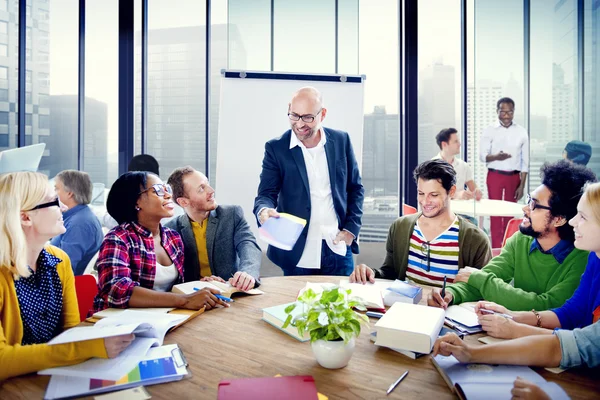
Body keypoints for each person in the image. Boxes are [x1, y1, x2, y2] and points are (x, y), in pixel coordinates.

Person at [0, 172, 134, 381]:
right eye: (53, 202)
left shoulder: (59, 260)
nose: (63, 207)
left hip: (54, 375)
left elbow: (71, 331)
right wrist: (88, 347)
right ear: (25, 217)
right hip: (14, 385)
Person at [428, 160, 595, 312]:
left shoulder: (583, 259)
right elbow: (480, 281)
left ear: (559, 219)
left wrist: (480, 279)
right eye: (529, 200)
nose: (525, 209)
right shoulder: (520, 240)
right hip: (510, 331)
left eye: (534, 205)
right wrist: (450, 293)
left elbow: (546, 306)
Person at [253, 86, 364, 276]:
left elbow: (355, 189)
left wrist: (351, 230)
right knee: (298, 305)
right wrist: (263, 212)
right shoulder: (276, 148)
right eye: (294, 115)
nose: (300, 123)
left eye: (308, 117)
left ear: (323, 114)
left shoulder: (341, 140)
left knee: (344, 304)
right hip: (297, 252)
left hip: (337, 247)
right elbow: (265, 195)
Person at [471, 182, 600, 341]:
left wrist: (516, 329)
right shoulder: (595, 259)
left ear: (558, 219)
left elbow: (588, 342)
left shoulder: (584, 257)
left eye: (583, 217)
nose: (572, 221)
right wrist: (511, 316)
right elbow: (570, 312)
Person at [92, 171, 228, 314]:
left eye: (166, 189)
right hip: (118, 324)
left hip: (164, 318)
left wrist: (201, 284)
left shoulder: (172, 237)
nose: (169, 195)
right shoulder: (118, 238)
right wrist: (185, 300)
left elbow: (178, 286)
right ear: (137, 201)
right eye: (158, 190)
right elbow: (117, 291)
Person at [350, 159, 491, 286]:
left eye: (434, 195)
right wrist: (371, 273)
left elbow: (482, 290)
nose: (425, 201)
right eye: (421, 193)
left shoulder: (475, 240)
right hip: (408, 307)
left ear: (451, 191)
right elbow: (391, 273)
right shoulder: (400, 227)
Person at [165, 166, 261, 291]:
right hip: (194, 296)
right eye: (201, 189)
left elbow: (249, 245)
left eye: (207, 184)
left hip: (233, 290)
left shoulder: (232, 214)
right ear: (183, 202)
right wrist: (199, 283)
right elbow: (175, 275)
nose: (211, 190)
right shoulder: (171, 230)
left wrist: (248, 272)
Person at [479, 97, 529, 248]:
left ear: (514, 112)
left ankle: (507, 247)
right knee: (495, 212)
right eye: (503, 112)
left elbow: (525, 161)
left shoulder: (521, 131)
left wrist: (522, 185)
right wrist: (497, 157)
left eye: (510, 112)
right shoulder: (489, 130)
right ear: (497, 111)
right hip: (494, 175)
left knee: (508, 212)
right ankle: (495, 248)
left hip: (513, 177)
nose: (506, 115)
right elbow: (482, 156)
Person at [50, 170, 104, 275]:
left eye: (56, 188)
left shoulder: (78, 225)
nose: (53, 194)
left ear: (69, 193)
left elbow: (64, 269)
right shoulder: (78, 216)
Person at [433, 128, 482, 201]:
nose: (459, 144)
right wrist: (455, 195)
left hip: (461, 210)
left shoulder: (463, 165)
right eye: (455, 141)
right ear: (444, 144)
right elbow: (431, 192)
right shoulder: (432, 166)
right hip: (440, 210)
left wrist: (477, 193)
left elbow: (473, 189)